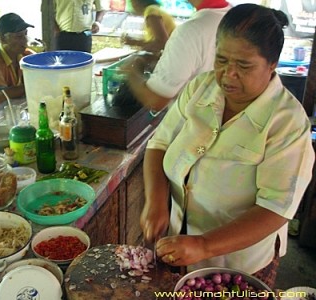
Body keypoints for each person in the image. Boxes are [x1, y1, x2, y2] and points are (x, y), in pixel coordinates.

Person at [141, 3, 314, 288]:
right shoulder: (200, 88)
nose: (228, 75)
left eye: (244, 66)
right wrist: (157, 202)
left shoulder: (287, 124)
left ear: (272, 64)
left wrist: (205, 245)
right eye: (221, 60)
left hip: (239, 262)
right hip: (179, 241)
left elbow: (275, 208)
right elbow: (159, 144)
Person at [125, 0, 231, 113]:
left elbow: (155, 101)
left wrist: (132, 70)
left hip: (190, 126)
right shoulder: (232, 14)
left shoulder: (190, 31)